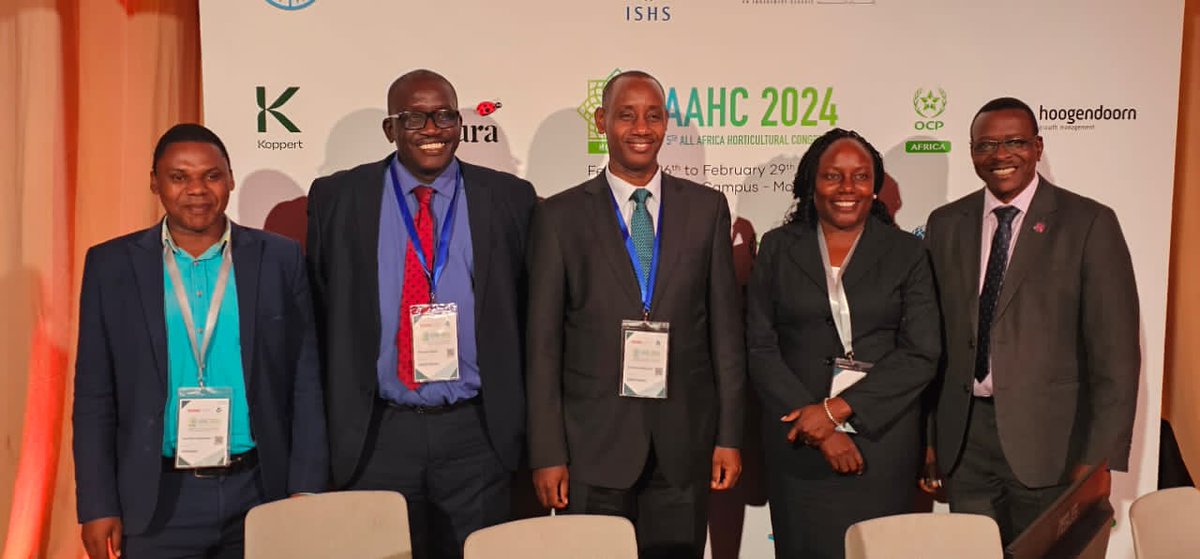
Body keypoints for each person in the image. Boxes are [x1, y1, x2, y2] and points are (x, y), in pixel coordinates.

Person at [306, 69, 536, 559]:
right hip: (377, 434)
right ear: (391, 128)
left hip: (476, 434)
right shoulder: (338, 199)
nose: (433, 129)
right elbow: (323, 312)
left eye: (445, 115)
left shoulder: (510, 199)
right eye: (415, 118)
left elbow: (527, 312)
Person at [73, 123, 328, 558]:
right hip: (157, 500)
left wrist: (306, 487)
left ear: (230, 178)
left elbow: (305, 381)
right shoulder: (111, 265)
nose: (197, 190)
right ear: (155, 182)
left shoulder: (280, 258)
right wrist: (97, 505)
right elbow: (95, 393)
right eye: (179, 177)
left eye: (211, 175)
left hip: (260, 490)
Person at [525, 70, 745, 559]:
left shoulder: (706, 209)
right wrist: (548, 453)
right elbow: (542, 347)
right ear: (603, 121)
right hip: (592, 448)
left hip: (683, 446)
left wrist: (729, 436)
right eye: (626, 115)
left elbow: (725, 336)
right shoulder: (559, 216)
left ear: (666, 123)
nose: (641, 127)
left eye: (653, 115)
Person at [921, 97, 1140, 544]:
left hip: (1054, 447)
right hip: (965, 443)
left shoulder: (1089, 222)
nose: (1000, 156)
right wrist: (929, 438)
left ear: (1038, 147)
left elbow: (1115, 357)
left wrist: (1097, 459)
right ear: (971, 153)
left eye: (1015, 142)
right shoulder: (945, 224)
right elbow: (933, 342)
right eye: (986, 145)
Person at [746, 128, 940, 558]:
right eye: (833, 176)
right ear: (811, 183)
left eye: (860, 176)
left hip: (880, 444)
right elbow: (760, 346)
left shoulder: (907, 253)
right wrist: (819, 428)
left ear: (875, 186)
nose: (847, 188)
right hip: (798, 439)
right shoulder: (778, 248)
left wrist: (836, 410)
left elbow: (921, 352)